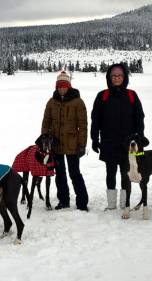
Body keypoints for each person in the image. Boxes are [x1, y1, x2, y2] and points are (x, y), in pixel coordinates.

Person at [91, 64, 145, 211]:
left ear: (125, 77)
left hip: (128, 143)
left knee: (125, 172)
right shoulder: (103, 95)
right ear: (109, 78)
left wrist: (140, 138)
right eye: (114, 76)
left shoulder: (131, 95)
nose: (116, 78)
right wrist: (95, 138)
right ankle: (111, 203)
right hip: (108, 141)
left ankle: (124, 202)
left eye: (120, 76)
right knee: (110, 171)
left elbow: (139, 118)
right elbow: (95, 119)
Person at [41, 71, 89, 211]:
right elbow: (46, 122)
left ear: (69, 87)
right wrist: (45, 141)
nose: (62, 89)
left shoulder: (78, 102)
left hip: (72, 144)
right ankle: (63, 201)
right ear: (56, 87)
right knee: (59, 174)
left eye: (64, 86)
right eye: (59, 87)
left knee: (75, 174)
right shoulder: (51, 102)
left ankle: (82, 203)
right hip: (55, 145)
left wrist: (82, 145)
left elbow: (83, 125)